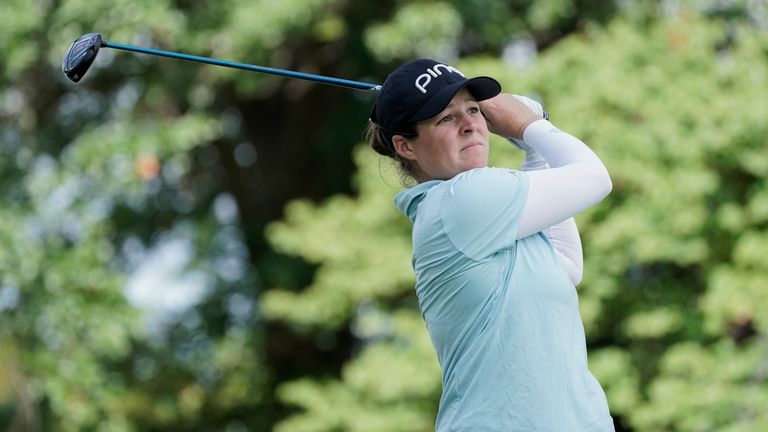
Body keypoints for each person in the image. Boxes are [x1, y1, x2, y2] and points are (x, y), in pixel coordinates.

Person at [366, 58, 615, 431]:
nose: (469, 125)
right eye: (445, 118)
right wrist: (533, 125)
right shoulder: (461, 201)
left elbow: (565, 266)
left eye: (473, 110)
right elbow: (596, 178)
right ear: (405, 146)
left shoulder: (490, 215)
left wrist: (536, 151)